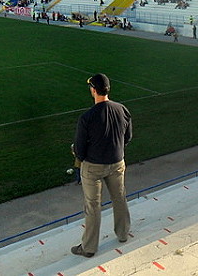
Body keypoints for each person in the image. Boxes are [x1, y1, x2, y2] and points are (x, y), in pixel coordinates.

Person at [72, 74, 132, 258]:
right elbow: (127, 137)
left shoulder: (87, 117)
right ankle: (123, 234)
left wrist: (78, 153)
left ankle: (89, 247)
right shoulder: (122, 109)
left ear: (93, 90)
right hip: (117, 163)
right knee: (119, 198)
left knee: (93, 206)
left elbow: (80, 150)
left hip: (93, 167)